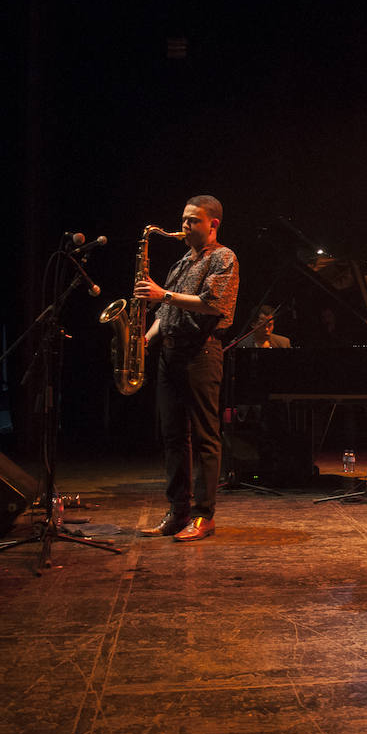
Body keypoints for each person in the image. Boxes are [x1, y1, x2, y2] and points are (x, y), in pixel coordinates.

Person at [137, 195, 240, 542]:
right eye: (183, 219)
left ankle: (203, 516)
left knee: (205, 437)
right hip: (170, 353)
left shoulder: (224, 258)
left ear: (213, 224)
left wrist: (162, 294)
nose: (184, 226)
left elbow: (214, 304)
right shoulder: (181, 263)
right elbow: (165, 316)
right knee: (173, 438)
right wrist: (143, 341)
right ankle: (177, 511)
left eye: (193, 220)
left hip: (201, 353)